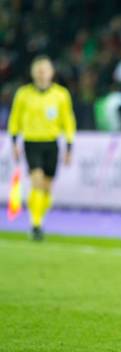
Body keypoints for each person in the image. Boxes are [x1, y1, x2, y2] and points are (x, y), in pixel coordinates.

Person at [8, 55, 76, 241]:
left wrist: (69, 146)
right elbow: (15, 119)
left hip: (51, 143)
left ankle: (39, 218)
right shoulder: (23, 94)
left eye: (44, 70)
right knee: (36, 181)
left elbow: (68, 121)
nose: (41, 74)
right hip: (31, 142)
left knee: (47, 187)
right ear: (33, 73)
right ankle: (35, 224)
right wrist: (14, 142)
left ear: (51, 73)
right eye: (38, 71)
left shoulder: (61, 95)